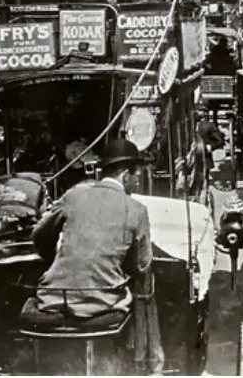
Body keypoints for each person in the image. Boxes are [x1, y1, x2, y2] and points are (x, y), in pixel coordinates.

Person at [27, 138, 161, 372]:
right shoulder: (137, 210)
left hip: (54, 299)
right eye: (137, 175)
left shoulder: (73, 196)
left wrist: (53, 260)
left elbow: (39, 235)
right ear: (125, 175)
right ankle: (147, 364)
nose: (138, 181)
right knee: (145, 294)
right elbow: (142, 266)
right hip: (104, 304)